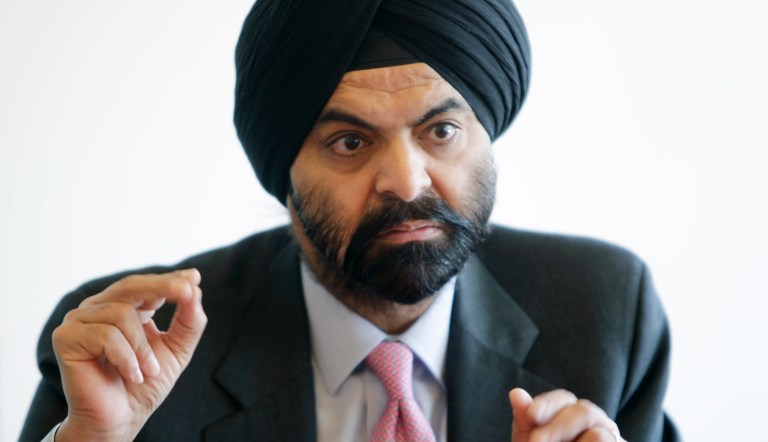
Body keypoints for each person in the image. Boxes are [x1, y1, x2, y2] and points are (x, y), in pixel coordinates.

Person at [20, 0, 679, 441]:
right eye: (350, 142)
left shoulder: (604, 314)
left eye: (441, 131)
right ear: (283, 170)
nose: (407, 182)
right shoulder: (134, 352)